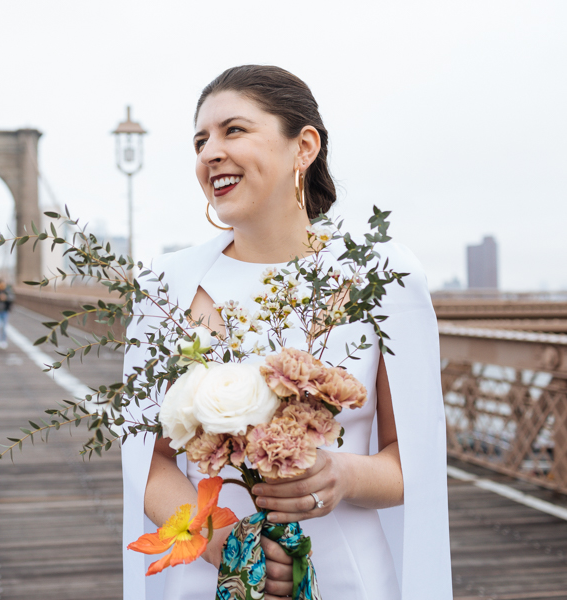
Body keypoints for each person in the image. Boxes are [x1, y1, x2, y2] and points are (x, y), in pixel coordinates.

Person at [121, 66, 452, 600]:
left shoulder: (381, 276)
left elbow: (412, 459)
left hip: (348, 577)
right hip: (213, 580)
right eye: (200, 140)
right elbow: (148, 461)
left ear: (304, 147)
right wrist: (228, 545)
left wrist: (340, 476)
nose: (209, 153)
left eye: (233, 130)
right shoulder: (168, 285)